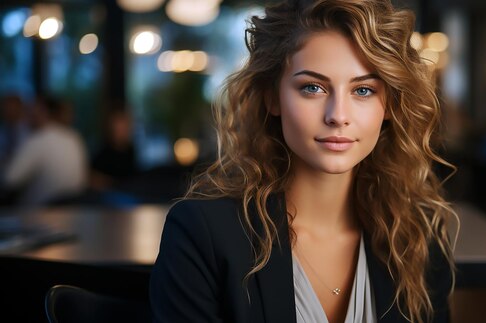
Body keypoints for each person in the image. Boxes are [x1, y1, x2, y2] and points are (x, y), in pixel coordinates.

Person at [150, 1, 456, 322]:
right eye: (312, 87)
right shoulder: (202, 234)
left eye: (363, 90)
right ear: (272, 96)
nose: (338, 115)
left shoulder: (416, 236)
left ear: (390, 104)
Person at [1, 96, 88, 205]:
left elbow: (10, 179)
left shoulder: (38, 139)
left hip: (38, 213)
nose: (28, 116)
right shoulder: (74, 137)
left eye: (33, 111)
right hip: (73, 211)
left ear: (44, 113)